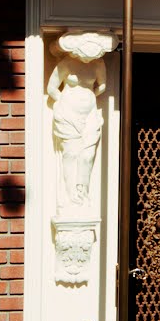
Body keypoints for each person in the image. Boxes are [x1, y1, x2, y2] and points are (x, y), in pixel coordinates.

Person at [46, 31, 116, 211]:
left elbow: (102, 85)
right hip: (68, 115)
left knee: (87, 155)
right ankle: (70, 198)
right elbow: (52, 87)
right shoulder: (67, 63)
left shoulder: (99, 64)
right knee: (71, 154)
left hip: (90, 115)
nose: (87, 59)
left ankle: (82, 192)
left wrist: (88, 98)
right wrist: (66, 104)